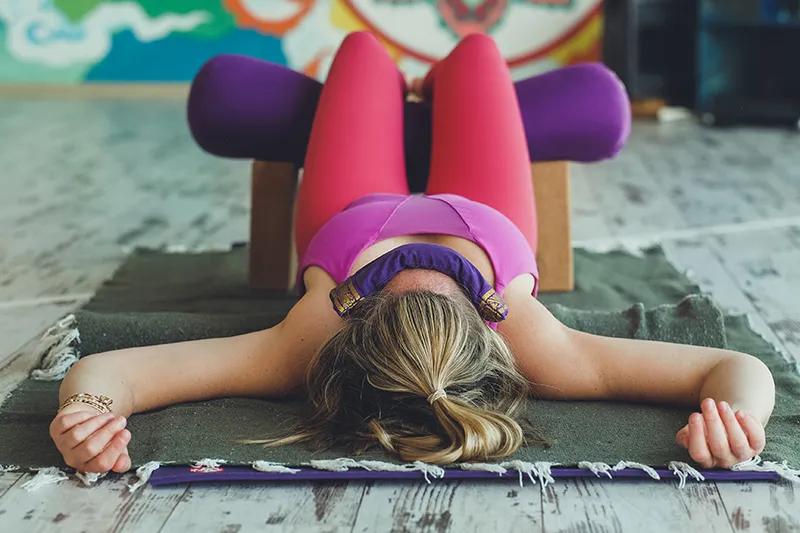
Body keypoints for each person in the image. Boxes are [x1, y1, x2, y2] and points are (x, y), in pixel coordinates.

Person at [49, 32, 774, 474]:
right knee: (477, 53)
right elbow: (732, 366)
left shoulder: (308, 340)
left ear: (354, 319)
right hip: (487, 209)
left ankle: (401, 95)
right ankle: (432, 93)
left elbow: (112, 372)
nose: (423, 268)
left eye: (402, 291)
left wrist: (86, 411)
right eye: (444, 293)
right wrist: (739, 419)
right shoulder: (538, 344)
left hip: (349, 210)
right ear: (490, 326)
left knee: (362, 53)